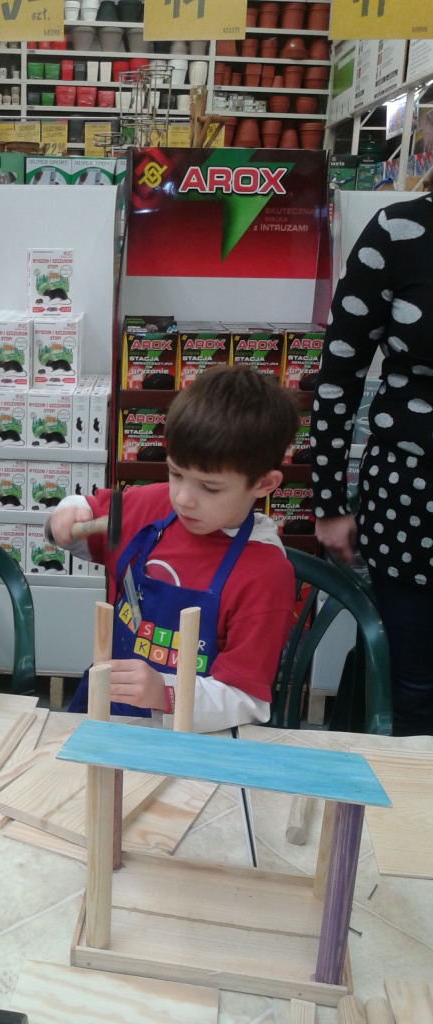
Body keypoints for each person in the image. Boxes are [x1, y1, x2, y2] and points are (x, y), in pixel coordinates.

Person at [47, 365, 299, 731]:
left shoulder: (265, 573)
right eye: (176, 473)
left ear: (264, 484)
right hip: (104, 710)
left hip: (190, 736)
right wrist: (66, 516)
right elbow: (85, 513)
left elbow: (246, 699)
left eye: (209, 487)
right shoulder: (150, 506)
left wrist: (167, 693)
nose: (183, 498)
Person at [310, 192, 433, 736]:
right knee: (413, 691)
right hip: (413, 505)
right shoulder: (398, 231)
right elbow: (338, 378)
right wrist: (328, 503)